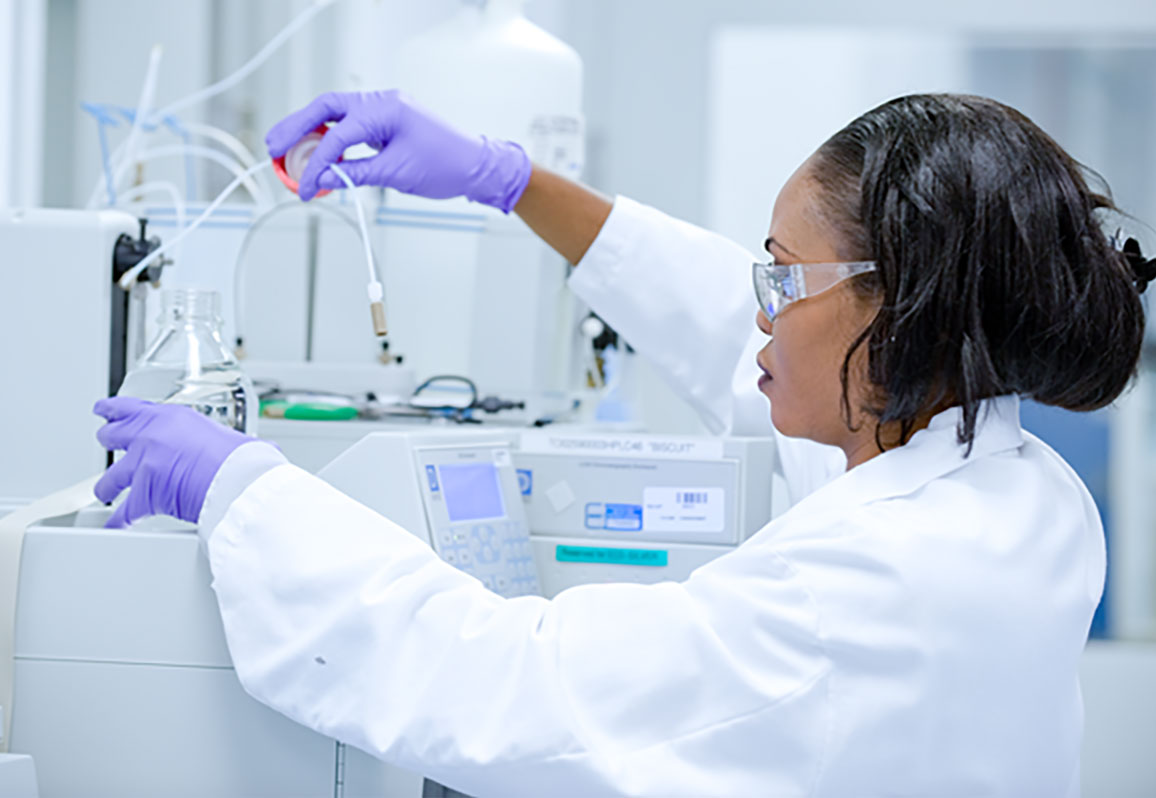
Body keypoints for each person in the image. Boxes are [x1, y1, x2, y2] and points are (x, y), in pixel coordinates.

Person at [93, 92, 1156, 796]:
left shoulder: (867, 584)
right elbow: (724, 321)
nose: (756, 314)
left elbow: (511, 687)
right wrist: (508, 182)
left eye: (779, 278)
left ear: (904, 308)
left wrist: (243, 490)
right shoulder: (1018, 489)